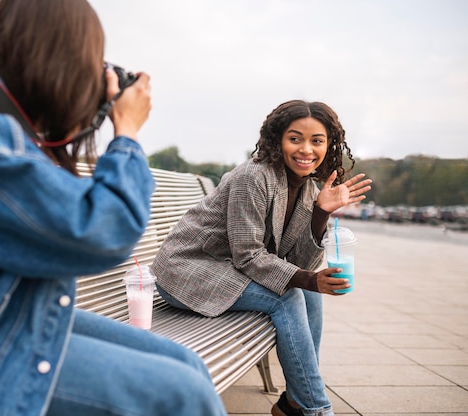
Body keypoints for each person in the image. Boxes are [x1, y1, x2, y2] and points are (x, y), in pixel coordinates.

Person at [0, 0, 227, 415]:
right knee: (182, 394)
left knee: (188, 364)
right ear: (59, 57)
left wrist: (87, 113)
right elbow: (103, 234)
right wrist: (125, 133)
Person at [151, 100, 373, 416]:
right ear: (277, 140)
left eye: (317, 140)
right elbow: (248, 255)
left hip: (230, 271)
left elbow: (298, 263)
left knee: (307, 294)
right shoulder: (253, 177)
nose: (306, 149)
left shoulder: (309, 188)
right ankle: (314, 409)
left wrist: (321, 212)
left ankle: (296, 401)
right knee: (289, 296)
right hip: (188, 271)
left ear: (329, 145)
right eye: (295, 138)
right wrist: (309, 280)